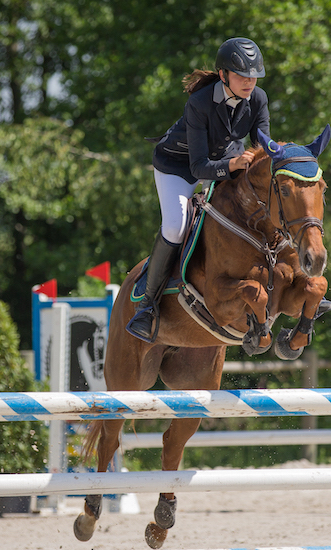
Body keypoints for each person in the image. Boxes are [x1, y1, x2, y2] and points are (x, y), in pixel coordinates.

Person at [126, 37, 271, 343]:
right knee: (177, 226)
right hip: (179, 167)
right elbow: (199, 167)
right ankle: (147, 306)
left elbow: (263, 149)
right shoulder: (200, 103)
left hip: (227, 160)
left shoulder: (258, 99)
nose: (249, 82)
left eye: (253, 76)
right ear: (223, 75)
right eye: (242, 76)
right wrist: (232, 166)